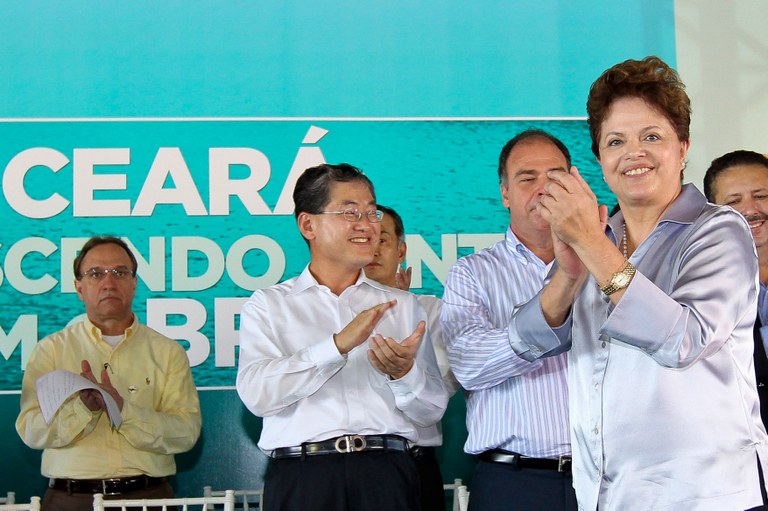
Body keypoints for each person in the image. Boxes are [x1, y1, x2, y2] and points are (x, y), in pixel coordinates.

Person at [510, 56, 768, 510]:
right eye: (616, 141)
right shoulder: (598, 236)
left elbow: (682, 340)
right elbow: (526, 340)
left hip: (703, 496)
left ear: (683, 147)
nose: (634, 153)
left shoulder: (718, 229)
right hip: (605, 496)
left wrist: (590, 245)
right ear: (599, 159)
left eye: (652, 136)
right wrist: (569, 274)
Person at [236, 163, 448, 511]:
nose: (367, 225)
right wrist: (336, 346)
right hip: (305, 479)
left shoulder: (404, 307)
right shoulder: (270, 305)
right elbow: (257, 395)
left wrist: (403, 373)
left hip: (388, 475)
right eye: (350, 212)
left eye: (371, 211)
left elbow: (430, 412)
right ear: (308, 225)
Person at [441, 129, 575, 511]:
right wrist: (559, 294)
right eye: (527, 178)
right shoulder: (472, 273)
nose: (543, 188)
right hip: (513, 483)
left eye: (555, 176)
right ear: (504, 193)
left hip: (605, 476)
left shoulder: (609, 265)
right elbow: (468, 365)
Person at [16, 236, 202, 511]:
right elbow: (31, 431)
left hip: (148, 498)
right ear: (79, 287)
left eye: (120, 272)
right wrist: (82, 409)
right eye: (95, 274)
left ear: (134, 282)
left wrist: (123, 411)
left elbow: (186, 433)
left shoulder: (167, 352)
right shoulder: (51, 351)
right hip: (71, 500)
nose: (109, 282)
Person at [363, 204, 460, 511]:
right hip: (349, 466)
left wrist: (402, 313)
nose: (374, 249)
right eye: (365, 239)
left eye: (383, 240)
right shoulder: (328, 312)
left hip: (413, 465)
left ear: (401, 250)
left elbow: (441, 388)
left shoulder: (431, 310)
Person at [704, 149, 768, 430]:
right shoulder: (700, 284)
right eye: (734, 201)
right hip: (739, 442)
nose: (751, 209)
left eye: (761, 195)